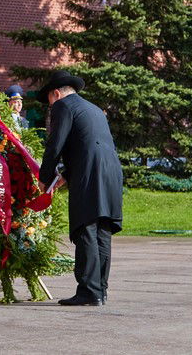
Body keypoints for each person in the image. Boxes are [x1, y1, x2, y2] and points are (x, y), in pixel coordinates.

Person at [36, 70, 123, 306]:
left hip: (89, 173)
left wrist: (44, 177)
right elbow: (88, 143)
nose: (50, 108)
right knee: (102, 229)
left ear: (56, 93)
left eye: (49, 102)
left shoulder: (63, 106)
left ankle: (87, 290)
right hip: (111, 171)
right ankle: (100, 290)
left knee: (85, 226)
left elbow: (56, 143)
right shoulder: (93, 108)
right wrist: (66, 174)